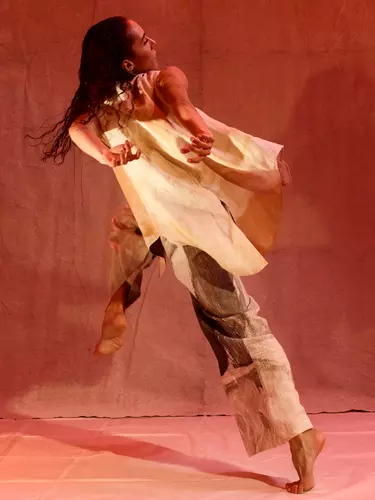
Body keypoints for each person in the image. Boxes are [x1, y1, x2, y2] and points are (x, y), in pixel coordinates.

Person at [34, 16, 325, 494]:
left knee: (237, 325)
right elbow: (79, 128)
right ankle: (297, 433)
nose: (156, 42)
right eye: (145, 39)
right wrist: (108, 157)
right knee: (221, 323)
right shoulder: (102, 105)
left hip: (191, 223)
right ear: (127, 60)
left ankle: (301, 435)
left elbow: (184, 109)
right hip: (160, 221)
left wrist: (199, 134)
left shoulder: (164, 79)